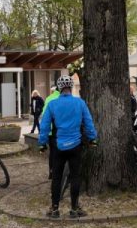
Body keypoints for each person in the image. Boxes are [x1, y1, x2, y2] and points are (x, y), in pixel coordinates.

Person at [38, 75, 97, 219]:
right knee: (75, 176)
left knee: (56, 177)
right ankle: (74, 209)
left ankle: (54, 209)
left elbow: (45, 125)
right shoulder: (80, 103)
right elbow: (88, 122)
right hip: (76, 145)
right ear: (70, 87)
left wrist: (42, 143)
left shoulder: (52, 104)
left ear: (59, 88)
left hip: (58, 146)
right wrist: (92, 138)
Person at [42, 85, 60, 179]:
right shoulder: (63, 98)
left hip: (50, 131)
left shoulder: (48, 98)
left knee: (52, 153)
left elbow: (44, 115)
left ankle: (51, 173)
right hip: (61, 130)